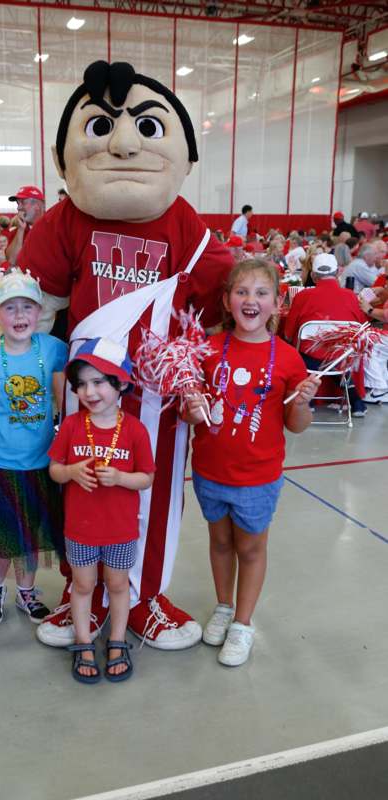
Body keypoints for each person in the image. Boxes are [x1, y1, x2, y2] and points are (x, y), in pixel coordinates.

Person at [18, 60, 233, 650]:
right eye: (102, 129)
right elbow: (34, 311)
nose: (121, 144)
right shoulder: (66, 220)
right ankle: (77, 591)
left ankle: (146, 596)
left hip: (156, 392)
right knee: (82, 488)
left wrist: (202, 374)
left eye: (144, 129)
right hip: (84, 386)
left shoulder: (182, 222)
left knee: (155, 494)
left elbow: (223, 298)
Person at [184, 258, 319, 666]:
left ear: (278, 304)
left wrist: (305, 402)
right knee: (220, 542)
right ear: (226, 301)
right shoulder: (206, 351)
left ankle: (243, 623)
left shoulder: (290, 359)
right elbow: (192, 416)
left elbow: (296, 425)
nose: (250, 300)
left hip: (258, 477)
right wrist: (191, 409)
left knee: (250, 548)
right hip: (209, 470)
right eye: (242, 291)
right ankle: (224, 606)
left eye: (261, 293)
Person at [49, 339, 155, 682]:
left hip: (121, 529)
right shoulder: (71, 426)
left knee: (118, 583)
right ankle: (82, 641)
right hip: (80, 528)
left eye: (98, 382)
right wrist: (70, 472)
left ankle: (117, 640)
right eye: (81, 384)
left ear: (121, 382)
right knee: (82, 585)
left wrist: (122, 477)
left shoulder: (135, 430)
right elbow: (54, 469)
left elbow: (147, 478)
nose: (88, 391)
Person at [0, 271, 67, 629]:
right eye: (9, 308)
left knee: (30, 534)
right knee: (0, 536)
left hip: (39, 461)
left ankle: (26, 591)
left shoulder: (52, 348)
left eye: (26, 307)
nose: (19, 316)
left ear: (39, 311)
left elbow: (68, 382)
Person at [285, 253, 367, 417]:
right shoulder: (351, 296)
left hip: (310, 357)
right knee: (336, 358)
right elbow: (361, 328)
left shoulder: (303, 296)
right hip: (342, 356)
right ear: (337, 273)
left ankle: (308, 400)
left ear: (314, 276)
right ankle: (355, 401)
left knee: (303, 353)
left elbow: (288, 332)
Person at [5, 185, 45, 267]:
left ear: (37, 205)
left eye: (23, 202)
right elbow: (12, 260)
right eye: (18, 203)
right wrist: (20, 230)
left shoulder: (53, 228)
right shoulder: (16, 232)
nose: (18, 207)